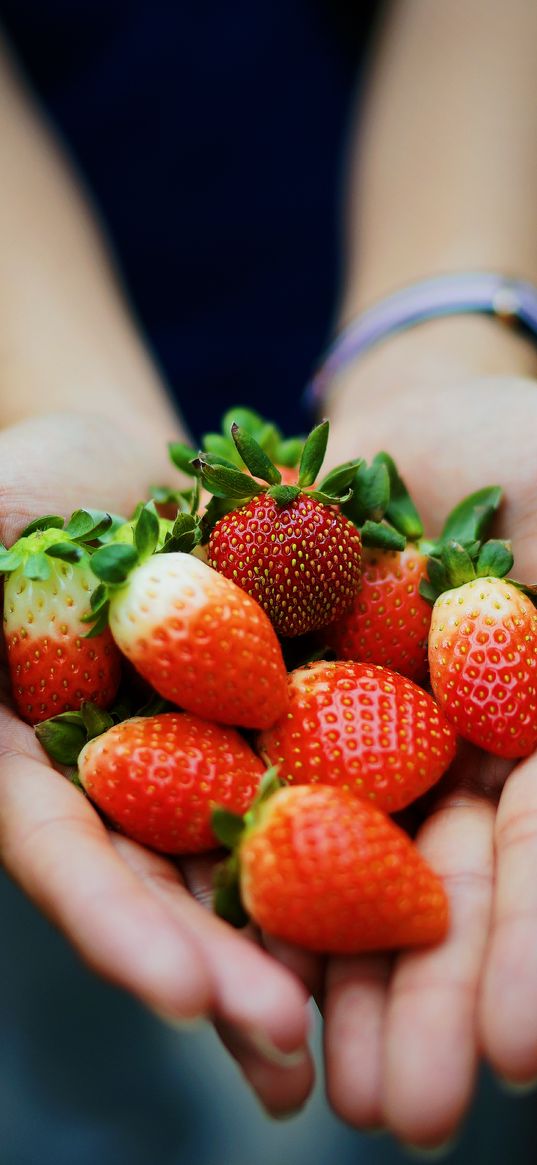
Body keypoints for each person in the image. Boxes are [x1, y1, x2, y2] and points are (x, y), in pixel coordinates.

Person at [0, 0, 537, 1153]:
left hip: (359, 212)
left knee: (461, 1034)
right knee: (75, 1009)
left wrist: (447, 335)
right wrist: (51, 400)